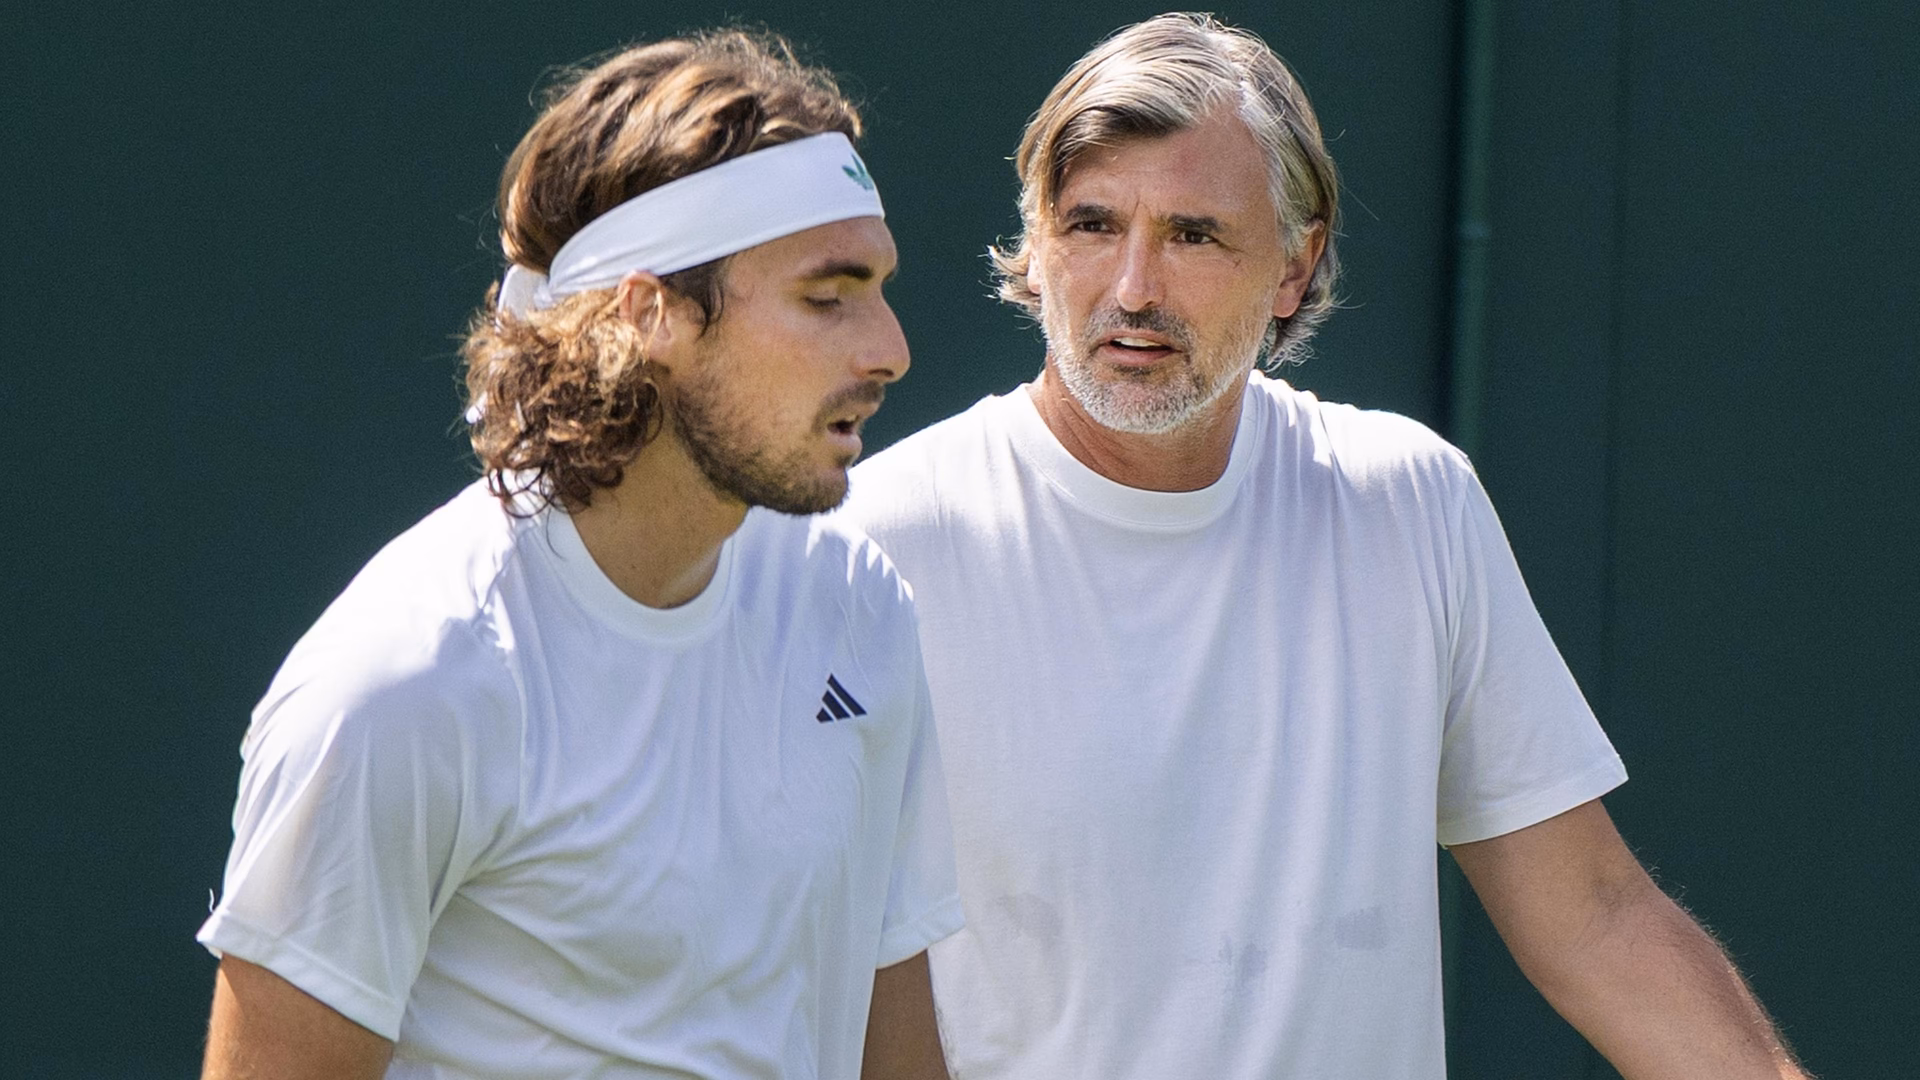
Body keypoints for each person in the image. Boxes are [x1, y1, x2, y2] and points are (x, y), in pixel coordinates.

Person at [844, 13, 1809, 1079]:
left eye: (1193, 234)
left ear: (1294, 268)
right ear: (1036, 243)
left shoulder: (1409, 503)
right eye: (1091, 225)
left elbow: (1594, 919)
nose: (1133, 289)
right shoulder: (877, 546)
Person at [197, 31, 959, 1080]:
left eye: (877, 288)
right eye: (827, 297)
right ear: (652, 314)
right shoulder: (403, 685)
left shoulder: (857, 605)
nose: (890, 349)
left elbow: (892, 1046)